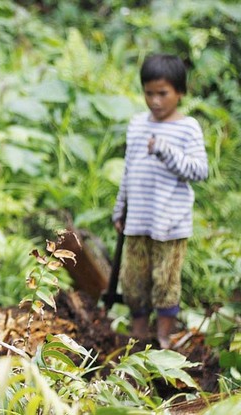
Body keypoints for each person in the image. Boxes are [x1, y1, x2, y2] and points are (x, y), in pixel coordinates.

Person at [112, 54, 208, 349]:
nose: (155, 101)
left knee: (165, 281)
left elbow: (199, 171)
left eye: (162, 93)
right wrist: (120, 207)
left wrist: (166, 150)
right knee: (133, 281)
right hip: (138, 218)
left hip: (171, 222)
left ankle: (164, 338)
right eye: (149, 93)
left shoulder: (187, 128)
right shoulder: (137, 125)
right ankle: (139, 336)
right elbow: (129, 169)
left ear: (180, 92)